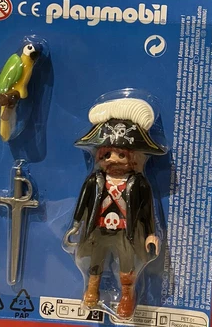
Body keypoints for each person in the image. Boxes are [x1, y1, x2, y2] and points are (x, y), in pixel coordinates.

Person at [64, 97, 166, 318]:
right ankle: (92, 289)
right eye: (107, 154)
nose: (114, 160)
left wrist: (150, 233)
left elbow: (147, 210)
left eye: (121, 155)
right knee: (95, 260)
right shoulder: (95, 181)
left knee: (128, 264)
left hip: (126, 232)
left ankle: (127, 295)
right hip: (98, 229)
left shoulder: (139, 184)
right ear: (100, 156)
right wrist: (76, 225)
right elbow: (84, 203)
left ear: (134, 158)